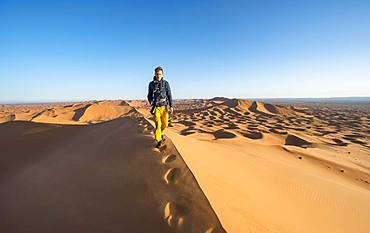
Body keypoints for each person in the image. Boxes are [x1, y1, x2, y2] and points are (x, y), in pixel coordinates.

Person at [147, 66, 174, 148]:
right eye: (157, 74)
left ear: (162, 74)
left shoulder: (166, 83)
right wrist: (151, 102)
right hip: (156, 107)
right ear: (155, 74)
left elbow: (169, 94)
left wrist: (171, 105)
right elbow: (149, 95)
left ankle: (161, 134)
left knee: (165, 124)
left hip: (164, 106)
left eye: (160, 74)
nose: (158, 75)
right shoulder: (151, 84)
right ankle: (158, 140)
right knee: (158, 124)